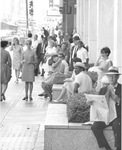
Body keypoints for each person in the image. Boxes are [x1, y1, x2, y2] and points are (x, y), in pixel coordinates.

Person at [91, 66, 121, 150]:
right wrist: (91, 102)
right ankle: (107, 148)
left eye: (113, 76)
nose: (111, 78)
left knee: (118, 126)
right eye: (109, 76)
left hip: (117, 116)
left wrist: (116, 98)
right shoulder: (103, 89)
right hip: (105, 116)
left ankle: (119, 148)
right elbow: (99, 103)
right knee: (95, 127)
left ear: (117, 77)